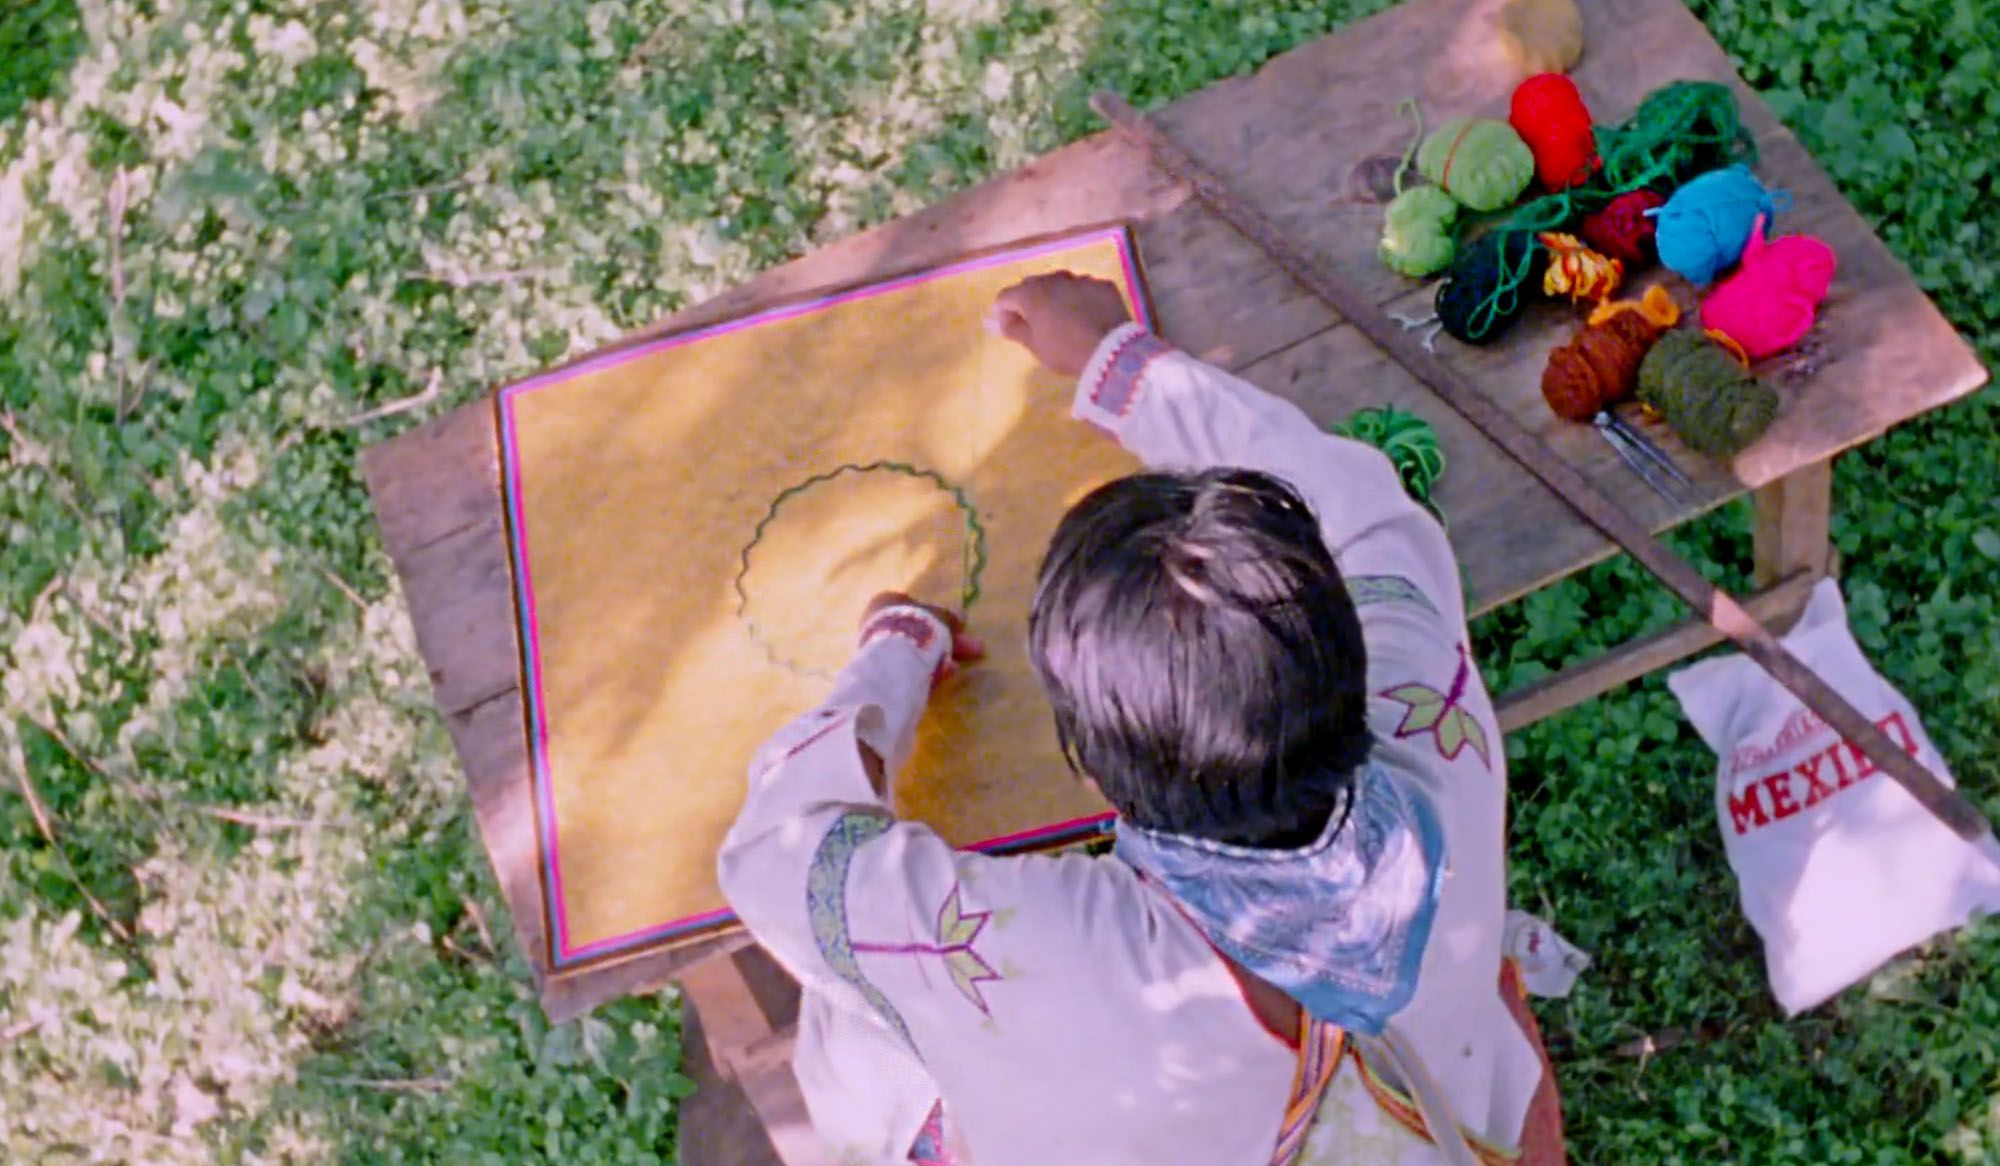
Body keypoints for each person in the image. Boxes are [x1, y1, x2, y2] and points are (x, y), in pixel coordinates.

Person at [718, 272, 1566, 1165]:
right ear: (1346, 646)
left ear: (1085, 766)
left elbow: (779, 853)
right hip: (1449, 1123)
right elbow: (1352, 497)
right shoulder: (1426, 715)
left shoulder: (1049, 947)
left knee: (855, 1033)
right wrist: (1121, 363)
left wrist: (897, 646)